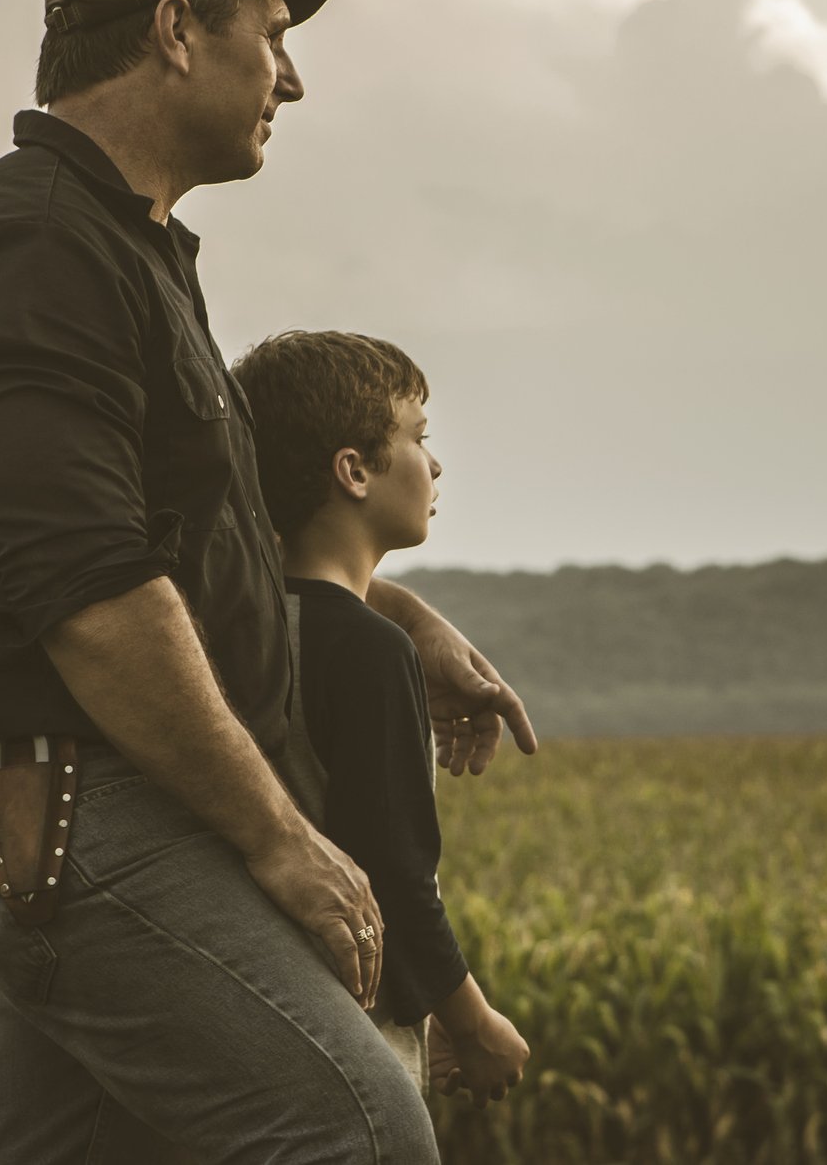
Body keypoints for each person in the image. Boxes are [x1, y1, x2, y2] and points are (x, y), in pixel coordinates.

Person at [0, 0, 536, 1164]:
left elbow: (201, 555)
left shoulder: (128, 253)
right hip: (89, 814)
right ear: (177, 30)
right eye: (273, 37)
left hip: (93, 805)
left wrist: (403, 613)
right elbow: (94, 595)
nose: (290, 82)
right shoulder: (35, 253)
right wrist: (280, 839)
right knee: (362, 1127)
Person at [230, 330, 531, 1107]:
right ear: (353, 471)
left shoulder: (236, 632)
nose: (433, 465)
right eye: (418, 437)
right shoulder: (371, 649)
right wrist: (471, 1021)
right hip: (345, 1019)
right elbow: (393, 874)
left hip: (254, 1006)